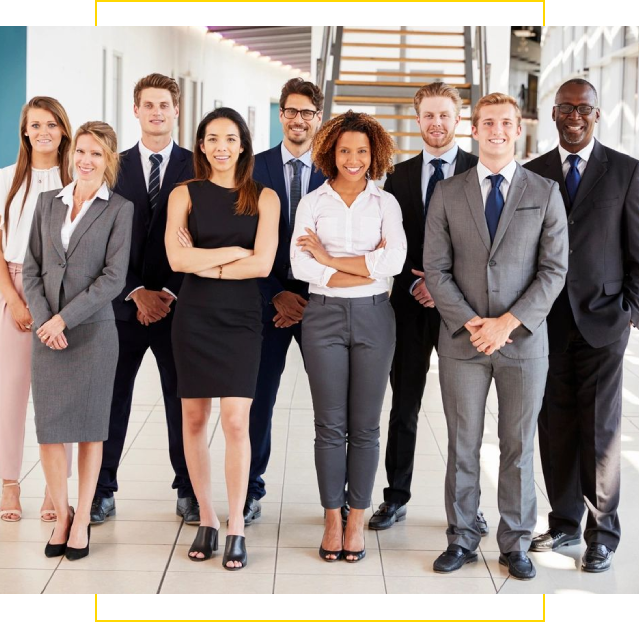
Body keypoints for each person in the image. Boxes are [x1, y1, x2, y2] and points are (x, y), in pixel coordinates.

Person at [424, 93, 568, 580]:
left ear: (518, 127)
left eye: (506, 123)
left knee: (517, 444)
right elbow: (436, 270)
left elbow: (554, 270)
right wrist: (472, 323)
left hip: (523, 344)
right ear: (474, 128)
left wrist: (507, 323)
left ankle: (516, 542)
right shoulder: (448, 192)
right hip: (463, 343)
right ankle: (462, 537)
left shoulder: (545, 192)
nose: (497, 131)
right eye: (488, 123)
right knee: (463, 444)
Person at [525, 79, 639, 573]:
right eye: (566, 108)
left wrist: (628, 310)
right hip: (545, 323)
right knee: (554, 428)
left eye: (584, 109)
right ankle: (565, 523)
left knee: (601, 430)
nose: (575, 116)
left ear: (598, 114)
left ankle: (602, 534)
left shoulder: (627, 172)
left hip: (603, 319)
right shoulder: (532, 173)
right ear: (553, 114)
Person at [371, 81, 488, 534]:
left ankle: (468, 508)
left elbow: (484, 245)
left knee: (467, 415)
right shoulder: (397, 178)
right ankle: (396, 497)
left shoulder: (480, 171)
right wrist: (416, 284)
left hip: (464, 311)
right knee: (403, 407)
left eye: (444, 115)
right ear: (417, 120)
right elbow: (388, 246)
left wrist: (444, 289)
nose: (436, 123)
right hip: (409, 307)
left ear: (458, 119)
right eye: (428, 116)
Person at [166, 107, 279, 570]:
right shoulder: (184, 193)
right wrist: (232, 254)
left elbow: (264, 264)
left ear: (243, 145)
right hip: (194, 316)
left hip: (240, 319)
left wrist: (206, 260)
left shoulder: (264, 197)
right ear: (201, 145)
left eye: (230, 138)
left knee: (236, 421)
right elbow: (175, 259)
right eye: (212, 138)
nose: (221, 147)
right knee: (193, 420)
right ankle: (207, 518)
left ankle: (235, 525)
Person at [291, 110, 406, 562]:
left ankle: (356, 516)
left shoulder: (386, 204)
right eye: (344, 150)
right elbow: (302, 266)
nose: (353, 159)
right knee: (329, 425)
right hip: (323, 317)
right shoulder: (313, 202)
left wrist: (330, 260)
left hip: (376, 318)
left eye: (361, 150)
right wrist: (362, 266)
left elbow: (393, 262)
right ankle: (331, 518)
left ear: (373, 153)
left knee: (366, 426)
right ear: (330, 153)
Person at [23, 121, 133, 560]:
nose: (86, 161)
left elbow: (113, 279)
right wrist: (44, 320)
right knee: (50, 431)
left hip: (91, 333)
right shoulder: (49, 202)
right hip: (45, 333)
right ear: (73, 155)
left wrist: (64, 320)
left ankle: (83, 517)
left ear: (109, 162)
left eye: (96, 154)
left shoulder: (119, 209)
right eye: (82, 152)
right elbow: (31, 266)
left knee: (90, 432)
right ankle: (62, 516)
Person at [92, 74, 198, 527]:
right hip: (122, 305)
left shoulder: (198, 167)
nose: (157, 112)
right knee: (112, 399)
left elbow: (203, 234)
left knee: (183, 400)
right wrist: (136, 290)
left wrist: (168, 291)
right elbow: (100, 239)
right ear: (135, 110)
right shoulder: (111, 167)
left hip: (180, 305)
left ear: (177, 111)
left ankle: (190, 490)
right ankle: (101, 490)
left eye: (164, 105)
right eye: (148, 105)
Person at [246, 77, 327, 526]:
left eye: (307, 113)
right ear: (281, 115)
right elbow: (242, 239)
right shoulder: (253, 170)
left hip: (323, 303)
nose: (299, 120)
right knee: (259, 399)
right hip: (266, 303)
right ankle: (251, 489)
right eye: (291, 112)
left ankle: (336, 497)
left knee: (333, 402)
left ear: (319, 118)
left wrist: (311, 297)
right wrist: (275, 292)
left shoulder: (338, 170)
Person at [0, 96, 73, 523]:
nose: (43, 131)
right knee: (11, 392)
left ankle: (54, 485)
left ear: (64, 130)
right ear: (24, 131)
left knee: (57, 395)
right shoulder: (6, 180)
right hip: (15, 289)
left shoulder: (75, 181)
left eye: (51, 124)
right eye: (35, 125)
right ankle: (9, 483)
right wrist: (11, 297)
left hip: (61, 295)